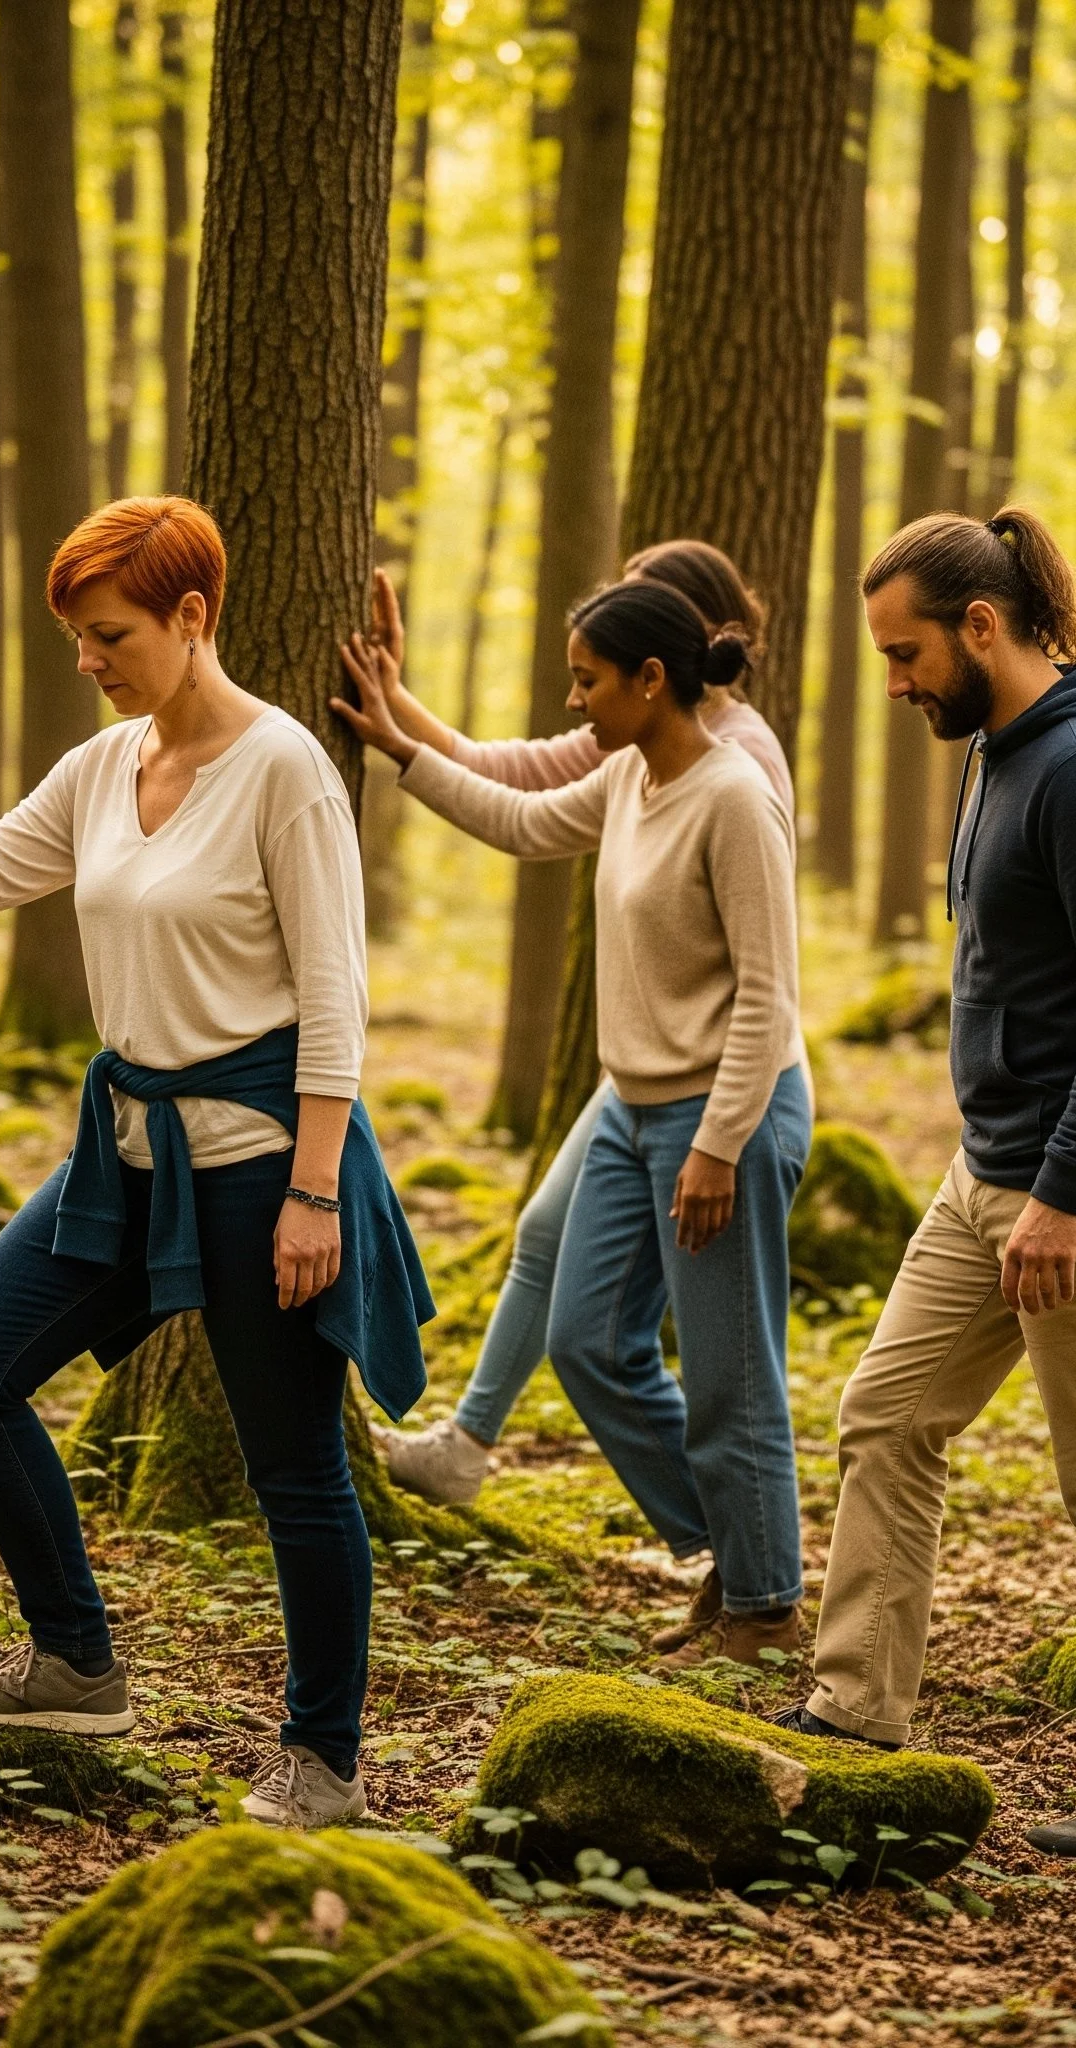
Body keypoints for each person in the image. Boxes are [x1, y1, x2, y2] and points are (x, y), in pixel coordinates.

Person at [0, 496, 431, 1830]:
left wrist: (310, 1192)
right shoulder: (102, 769)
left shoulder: (286, 771)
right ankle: (76, 1662)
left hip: (261, 1163)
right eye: (74, 636)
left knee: (294, 1471)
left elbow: (336, 1001)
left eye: (107, 633)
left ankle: (323, 1761)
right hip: (124, 1160)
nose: (88, 658)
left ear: (192, 617)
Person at [775, 507, 1076, 1859]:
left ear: (983, 627)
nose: (898, 680)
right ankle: (859, 1708)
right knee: (888, 1413)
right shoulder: (995, 748)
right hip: (994, 1171)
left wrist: (1062, 1192)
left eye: (908, 651)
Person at [336, 580, 812, 1668]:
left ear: (651, 680)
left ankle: (767, 1610)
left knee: (731, 1369)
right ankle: (733, 1554)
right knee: (586, 1337)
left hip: (720, 1114)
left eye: (587, 678)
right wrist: (396, 746)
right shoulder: (629, 776)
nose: (574, 697)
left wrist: (718, 1144)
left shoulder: (734, 795)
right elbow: (517, 818)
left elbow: (765, 995)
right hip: (631, 1104)